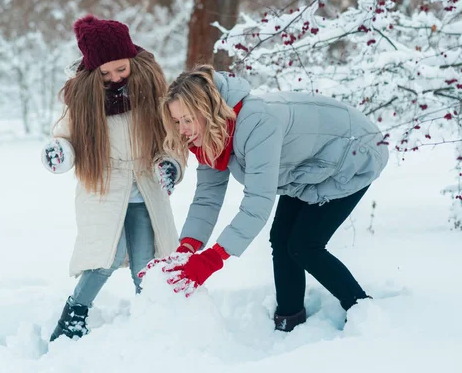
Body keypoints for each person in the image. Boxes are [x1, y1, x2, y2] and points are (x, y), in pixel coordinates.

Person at [154, 64, 389, 332]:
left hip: (352, 153)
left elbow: (257, 203)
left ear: (206, 110)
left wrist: (212, 259)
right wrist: (186, 248)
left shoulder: (256, 123)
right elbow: (207, 198)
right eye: (176, 121)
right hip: (307, 165)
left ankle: (362, 310)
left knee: (304, 245)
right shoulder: (209, 134)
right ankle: (289, 318)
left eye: (188, 119)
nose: (182, 129)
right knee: (281, 238)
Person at [41, 15, 182, 341]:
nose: (114, 77)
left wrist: (170, 165)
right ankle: (73, 316)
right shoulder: (83, 102)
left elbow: (171, 140)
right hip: (104, 189)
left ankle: (151, 322)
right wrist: (60, 152)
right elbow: (66, 138)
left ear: (131, 57)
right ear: (93, 72)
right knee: (106, 256)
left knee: (146, 266)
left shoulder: (153, 93)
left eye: (120, 68)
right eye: (104, 73)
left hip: (145, 192)